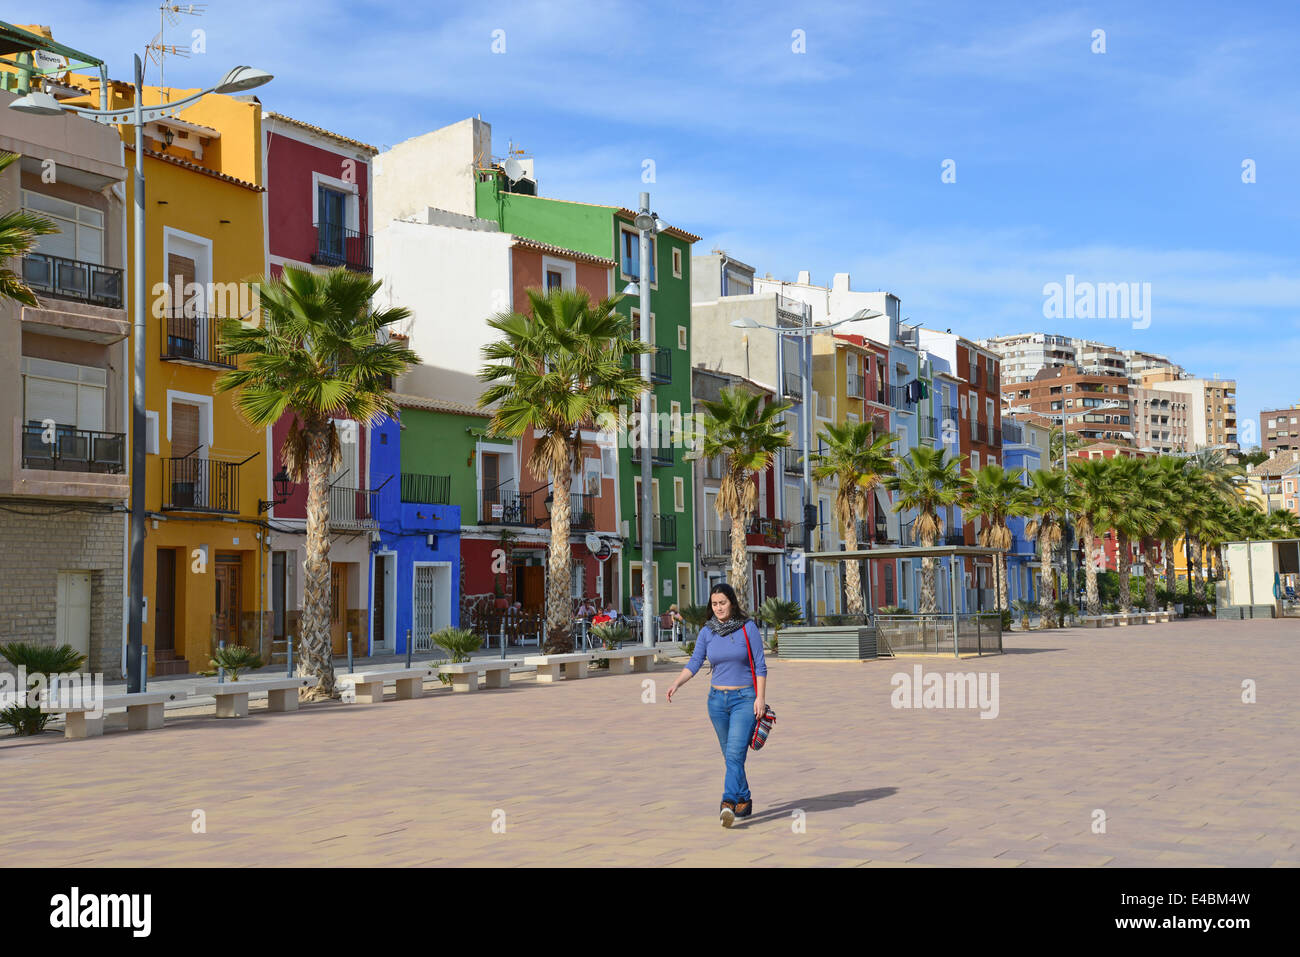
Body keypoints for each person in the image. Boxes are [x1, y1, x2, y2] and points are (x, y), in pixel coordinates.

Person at [666, 583, 767, 828]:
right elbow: (695, 662)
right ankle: (744, 799)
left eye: (723, 602)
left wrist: (760, 698)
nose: (719, 607)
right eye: (714, 604)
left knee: (734, 753)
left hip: (744, 699)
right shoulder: (707, 631)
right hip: (716, 702)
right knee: (730, 756)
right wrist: (677, 683)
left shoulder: (748, 628)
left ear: (731, 602)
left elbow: (760, 665)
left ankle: (728, 803)